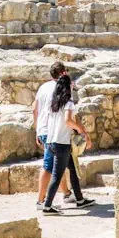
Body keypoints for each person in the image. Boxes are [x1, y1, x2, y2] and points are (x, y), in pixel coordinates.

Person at [41, 72, 95, 214]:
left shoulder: (54, 103)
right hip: (62, 144)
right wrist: (82, 132)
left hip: (52, 142)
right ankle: (47, 206)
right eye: (71, 83)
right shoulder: (69, 103)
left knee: (72, 168)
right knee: (57, 176)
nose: (73, 85)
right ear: (68, 86)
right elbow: (68, 120)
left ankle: (80, 200)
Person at [34, 61, 73, 208]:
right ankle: (40, 201)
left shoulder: (43, 87)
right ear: (63, 73)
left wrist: (37, 130)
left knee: (58, 165)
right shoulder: (59, 88)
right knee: (48, 166)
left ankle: (67, 194)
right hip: (53, 131)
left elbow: (34, 109)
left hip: (43, 129)